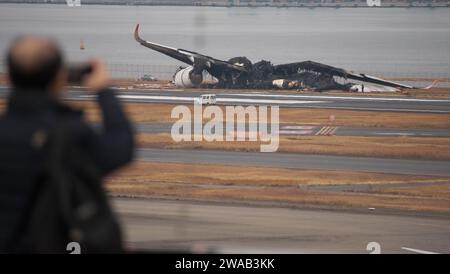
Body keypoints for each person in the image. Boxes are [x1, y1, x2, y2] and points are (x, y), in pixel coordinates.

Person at [0, 37, 134, 252]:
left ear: (9, 78)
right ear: (58, 78)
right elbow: (121, 149)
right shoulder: (70, 134)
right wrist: (103, 91)